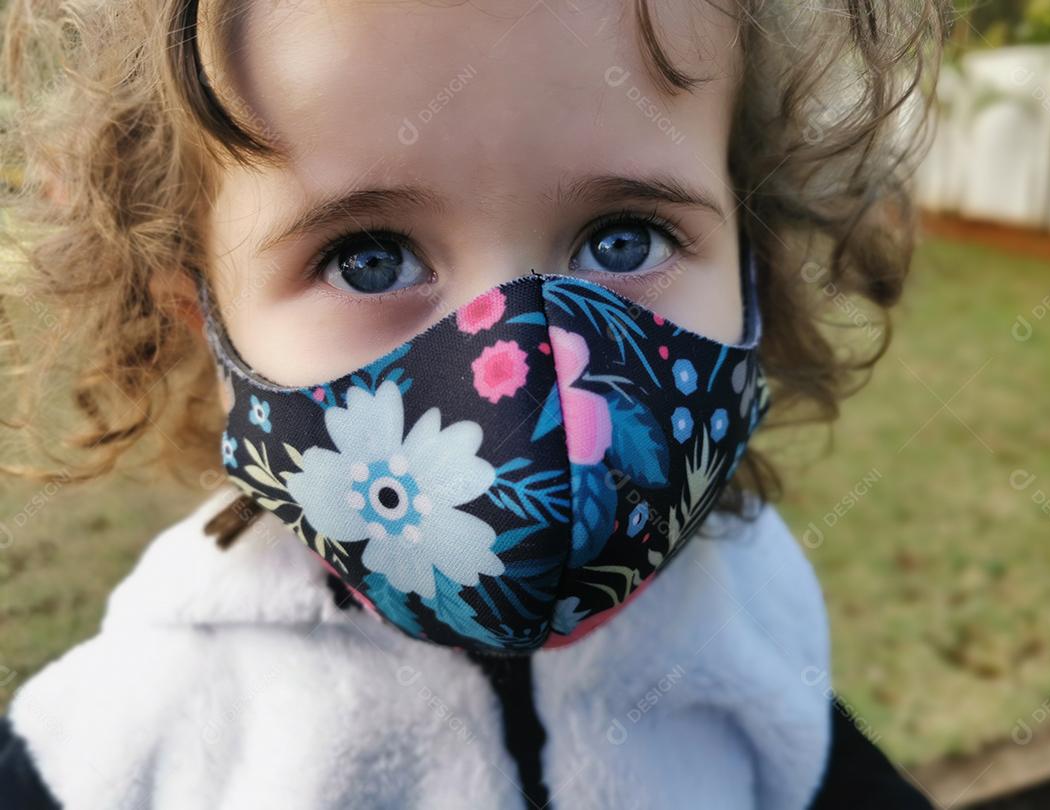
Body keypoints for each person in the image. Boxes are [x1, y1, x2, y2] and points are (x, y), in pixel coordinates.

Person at [0, 0, 947, 807]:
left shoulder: (755, 614)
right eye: (367, 256)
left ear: (754, 256)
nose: (524, 376)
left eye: (624, 240)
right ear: (200, 317)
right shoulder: (140, 729)